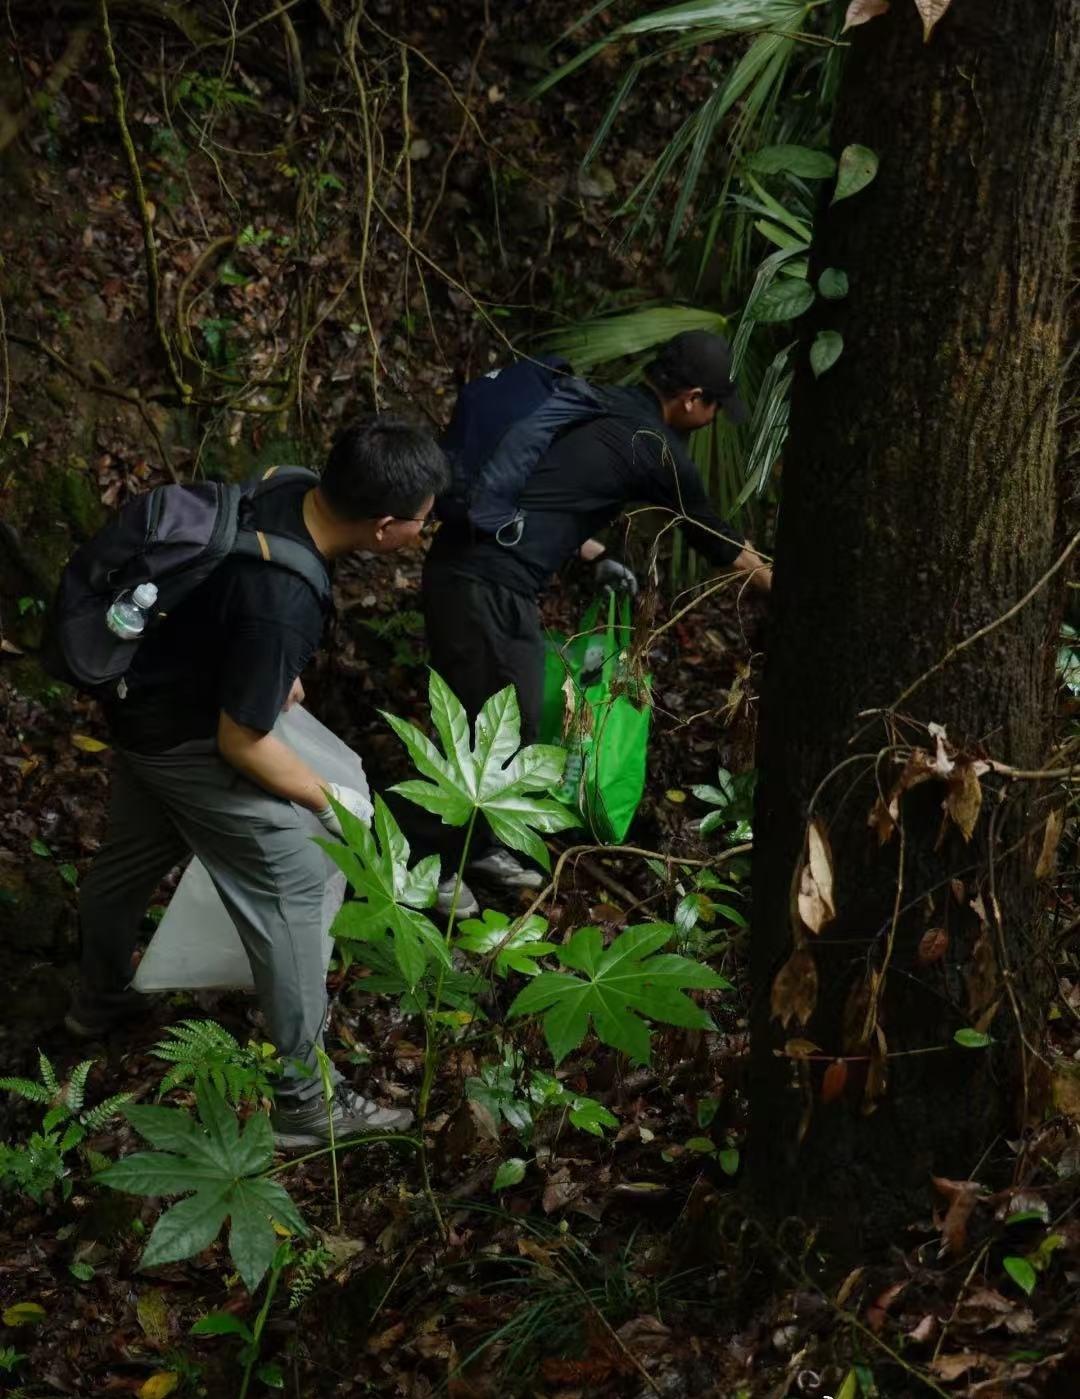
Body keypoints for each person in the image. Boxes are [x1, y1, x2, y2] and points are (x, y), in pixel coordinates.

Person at [66, 417, 449, 1149]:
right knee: (301, 880)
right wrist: (326, 797)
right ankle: (305, 1100)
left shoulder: (288, 484)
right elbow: (241, 742)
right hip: (185, 737)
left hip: (141, 698)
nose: (421, 533)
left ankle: (97, 999)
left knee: (127, 860)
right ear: (385, 528)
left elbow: (226, 604)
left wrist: (269, 671)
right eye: (420, 524)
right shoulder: (285, 598)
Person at [421, 330, 772, 907]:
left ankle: (478, 845)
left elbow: (549, 492)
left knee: (492, 715)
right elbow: (720, 542)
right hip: (486, 586)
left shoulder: (598, 402)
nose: (711, 419)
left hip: (467, 567)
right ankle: (432, 863)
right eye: (713, 407)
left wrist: (598, 554)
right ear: (691, 399)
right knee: (503, 723)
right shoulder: (656, 449)